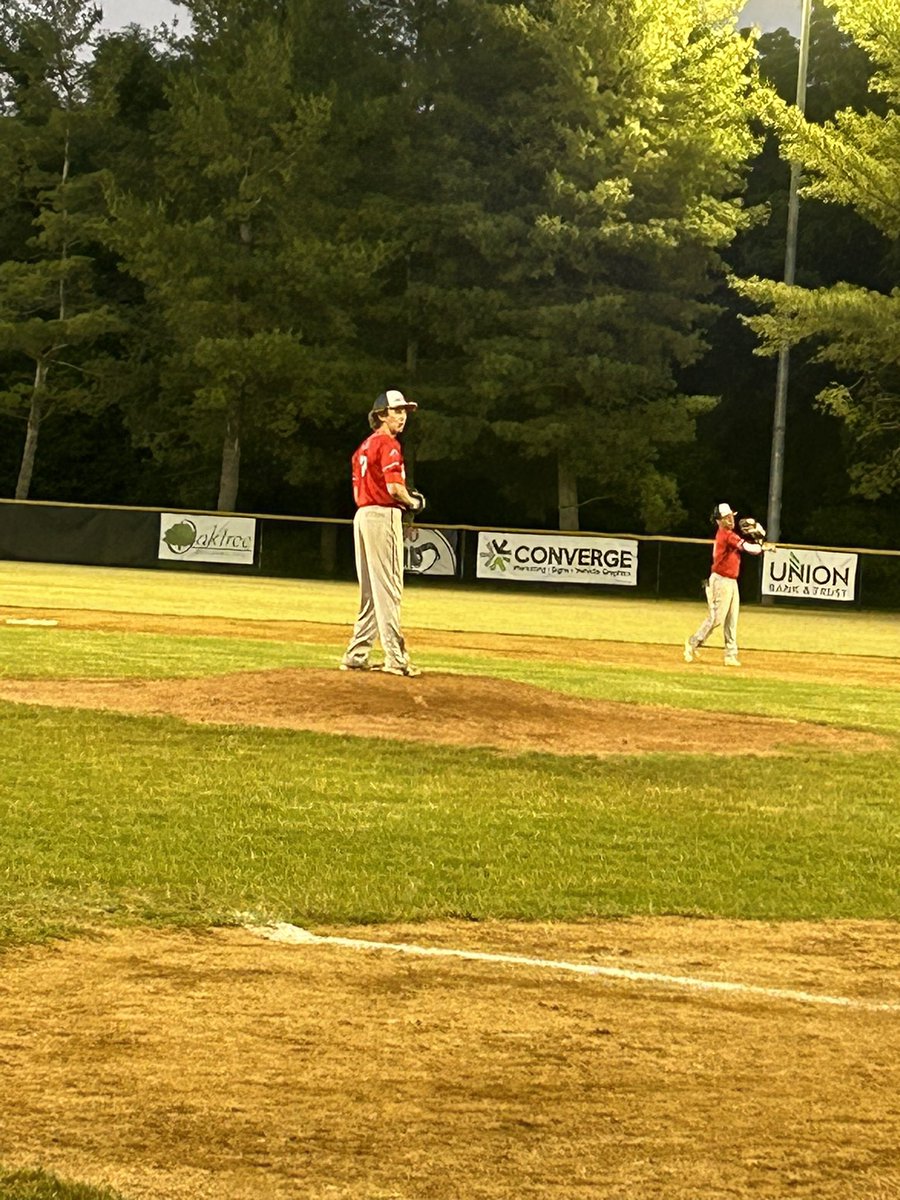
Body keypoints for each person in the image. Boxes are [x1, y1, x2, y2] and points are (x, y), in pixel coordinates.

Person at [341, 389, 426, 677]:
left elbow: (358, 489)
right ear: (380, 415)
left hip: (362, 515)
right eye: (397, 411)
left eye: (404, 412)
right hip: (382, 515)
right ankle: (396, 659)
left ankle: (356, 654)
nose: (402, 417)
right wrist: (413, 502)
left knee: (370, 591)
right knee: (389, 589)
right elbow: (393, 489)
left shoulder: (362, 447)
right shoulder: (388, 444)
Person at [683, 502, 772, 668]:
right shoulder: (725, 534)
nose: (731, 519)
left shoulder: (729, 533)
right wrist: (761, 545)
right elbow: (748, 548)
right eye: (726, 517)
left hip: (731, 581)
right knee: (716, 619)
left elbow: (746, 545)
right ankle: (692, 643)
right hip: (721, 580)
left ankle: (730, 655)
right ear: (719, 520)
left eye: (731, 516)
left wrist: (759, 542)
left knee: (732, 619)